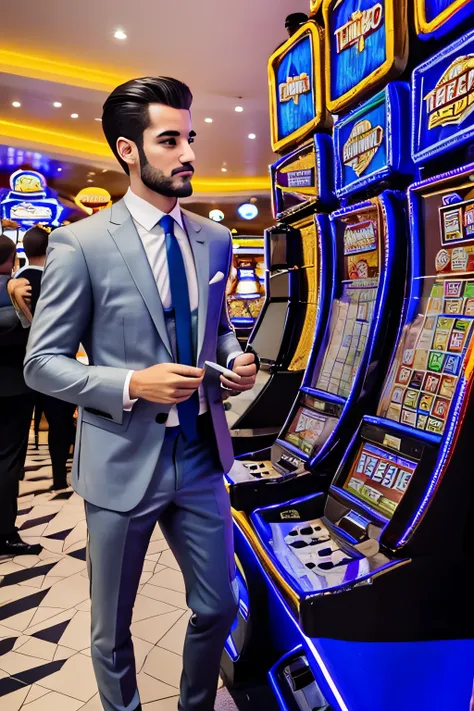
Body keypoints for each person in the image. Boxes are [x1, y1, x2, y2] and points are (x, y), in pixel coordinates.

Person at [24, 76, 258, 711]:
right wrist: (130, 382)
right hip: (122, 460)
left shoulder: (213, 237)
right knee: (111, 628)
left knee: (218, 606)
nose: (188, 154)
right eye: (170, 140)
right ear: (129, 151)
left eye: (191, 138)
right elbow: (41, 364)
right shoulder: (83, 243)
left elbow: (220, 326)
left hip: (202, 454)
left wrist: (235, 357)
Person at [9, 226, 76, 489]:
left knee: (19, 428)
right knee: (60, 423)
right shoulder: (57, 280)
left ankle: (17, 473)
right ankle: (59, 476)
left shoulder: (12, 283)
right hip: (56, 364)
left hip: (19, 369)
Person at [0, 235, 42, 557]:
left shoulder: (15, 286)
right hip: (13, 386)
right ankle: (5, 534)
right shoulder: (17, 289)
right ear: (12, 258)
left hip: (13, 386)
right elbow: (31, 329)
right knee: (8, 461)